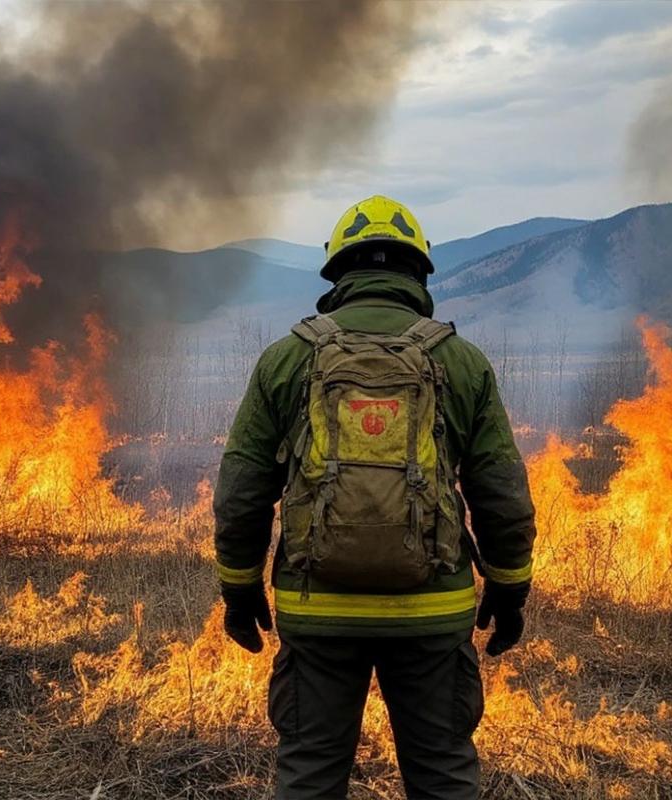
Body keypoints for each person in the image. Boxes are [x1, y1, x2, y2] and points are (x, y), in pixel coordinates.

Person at [213, 195, 537, 799]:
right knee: (442, 771)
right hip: (433, 610)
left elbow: (242, 489)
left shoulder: (286, 359)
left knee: (309, 771)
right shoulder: (461, 362)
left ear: (338, 273)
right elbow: (502, 494)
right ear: (418, 273)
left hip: (317, 607)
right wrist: (509, 587)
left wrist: (238, 588)